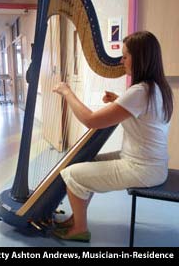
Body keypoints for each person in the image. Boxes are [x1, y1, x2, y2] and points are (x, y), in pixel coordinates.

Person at [52, 31, 173, 242]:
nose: (121, 61)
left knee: (71, 174)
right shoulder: (157, 88)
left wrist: (66, 92)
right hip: (153, 165)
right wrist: (118, 100)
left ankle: (79, 229)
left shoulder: (140, 92)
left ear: (140, 58)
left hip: (141, 168)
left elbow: (90, 120)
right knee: (86, 162)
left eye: (125, 56)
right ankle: (77, 219)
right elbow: (142, 115)